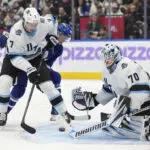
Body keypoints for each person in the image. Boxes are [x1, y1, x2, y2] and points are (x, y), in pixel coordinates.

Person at [0, 7, 73, 133]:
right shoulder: (16, 32)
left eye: (35, 24)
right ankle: (2, 113)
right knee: (5, 82)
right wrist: (29, 69)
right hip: (16, 58)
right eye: (30, 24)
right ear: (24, 20)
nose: (32, 27)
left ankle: (64, 113)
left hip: (35, 57)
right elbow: (15, 58)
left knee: (48, 86)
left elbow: (53, 20)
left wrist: (53, 35)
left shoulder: (43, 23)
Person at [72, 43, 150, 140]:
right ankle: (135, 124)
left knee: (121, 103)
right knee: (119, 105)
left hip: (146, 102)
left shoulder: (128, 66)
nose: (106, 60)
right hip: (135, 107)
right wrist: (93, 101)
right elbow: (109, 91)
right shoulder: (106, 72)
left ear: (116, 56)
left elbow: (142, 91)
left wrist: (129, 109)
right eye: (104, 57)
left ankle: (141, 125)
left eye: (109, 57)